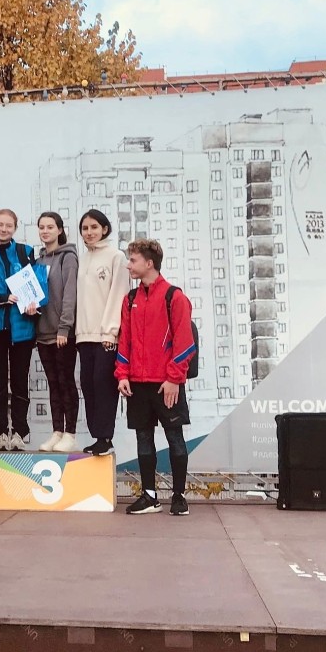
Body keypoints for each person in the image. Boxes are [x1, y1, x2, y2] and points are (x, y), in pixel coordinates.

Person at [117, 239, 196, 516]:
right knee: (143, 438)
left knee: (175, 438)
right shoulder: (130, 299)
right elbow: (124, 340)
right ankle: (149, 496)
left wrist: (174, 379)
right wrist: (122, 375)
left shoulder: (175, 297)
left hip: (166, 384)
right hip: (137, 384)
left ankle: (179, 496)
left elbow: (185, 343)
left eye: (133, 260)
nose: (128, 265)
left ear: (149, 263)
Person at [0, 209, 37, 450]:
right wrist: (3, 298)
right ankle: (1, 432)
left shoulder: (26, 252)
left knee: (20, 381)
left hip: (22, 327)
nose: (4, 229)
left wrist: (35, 304)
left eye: (8, 225)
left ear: (15, 227)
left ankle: (20, 433)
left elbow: (37, 287)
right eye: (0, 225)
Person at [76, 209, 129, 456]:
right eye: (85, 228)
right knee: (88, 385)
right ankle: (97, 436)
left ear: (105, 229)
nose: (89, 232)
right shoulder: (82, 259)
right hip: (83, 335)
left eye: (94, 227)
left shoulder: (116, 257)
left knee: (103, 384)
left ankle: (105, 438)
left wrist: (110, 332)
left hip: (106, 336)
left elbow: (119, 295)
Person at [33, 212, 80, 452]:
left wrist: (65, 327)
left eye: (50, 227)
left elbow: (70, 294)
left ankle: (70, 434)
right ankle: (57, 432)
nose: (45, 231)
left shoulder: (68, 257)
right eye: (41, 227)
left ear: (60, 230)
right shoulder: (38, 261)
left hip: (63, 334)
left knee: (65, 381)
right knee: (52, 383)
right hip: (43, 333)